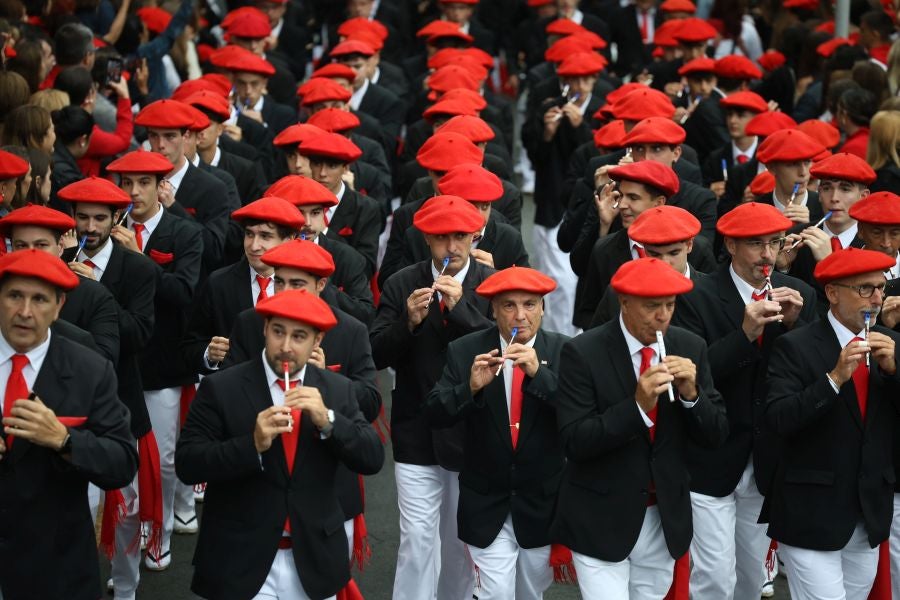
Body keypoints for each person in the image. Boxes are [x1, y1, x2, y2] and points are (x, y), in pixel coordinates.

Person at [175, 289, 384, 599]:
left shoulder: (337, 390)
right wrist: (252, 444)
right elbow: (187, 463)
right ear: (264, 329)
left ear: (317, 342)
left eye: (299, 337)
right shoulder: (222, 387)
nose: (285, 347)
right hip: (240, 560)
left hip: (313, 561)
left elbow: (372, 457)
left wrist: (329, 420)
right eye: (277, 332)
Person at [551, 256, 728, 598]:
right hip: (600, 516)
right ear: (624, 302)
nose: (663, 315)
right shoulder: (582, 352)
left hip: (662, 519)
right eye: (651, 306)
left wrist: (693, 395)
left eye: (670, 304)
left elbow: (716, 434)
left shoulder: (690, 347)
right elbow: (574, 440)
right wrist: (637, 408)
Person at [677, 202, 818, 599]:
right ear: (730, 245)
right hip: (711, 455)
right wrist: (744, 334)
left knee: (753, 578)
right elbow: (693, 375)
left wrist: (797, 327)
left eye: (773, 243)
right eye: (755, 244)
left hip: (767, 458)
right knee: (714, 578)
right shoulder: (695, 295)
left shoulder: (800, 295)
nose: (768, 255)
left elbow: (815, 370)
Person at [371, 195, 495, 600]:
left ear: (476, 233)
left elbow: (501, 352)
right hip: (416, 429)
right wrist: (407, 323)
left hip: (473, 431)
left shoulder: (492, 284)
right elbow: (376, 354)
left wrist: (461, 311)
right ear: (426, 238)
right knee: (418, 540)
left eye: (461, 236)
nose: (453, 247)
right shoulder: (401, 283)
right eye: (442, 238)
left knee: (459, 542)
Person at [0, 249, 138, 599]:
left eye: (40, 299)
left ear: (59, 306)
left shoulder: (89, 369)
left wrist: (65, 440)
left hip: (56, 567)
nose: (25, 312)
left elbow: (122, 462)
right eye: (15, 295)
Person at [425, 266, 570, 599]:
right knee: (495, 594)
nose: (520, 315)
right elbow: (434, 412)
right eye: (509, 305)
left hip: (540, 506)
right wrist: (470, 388)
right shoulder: (465, 350)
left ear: (543, 307)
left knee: (530, 593)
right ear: (493, 309)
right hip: (485, 503)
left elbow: (579, 415)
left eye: (530, 304)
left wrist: (539, 376)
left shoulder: (563, 351)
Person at [764, 247, 900, 600]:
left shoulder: (892, 345)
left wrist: (896, 374)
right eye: (864, 289)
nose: (876, 298)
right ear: (833, 293)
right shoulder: (796, 346)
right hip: (810, 512)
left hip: (867, 511)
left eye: (880, 288)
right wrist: (834, 379)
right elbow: (780, 419)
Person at [57, 176, 160, 600]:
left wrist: (95, 293)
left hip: (122, 400)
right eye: (83, 218)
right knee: (76, 506)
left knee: (128, 509)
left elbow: (139, 334)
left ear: (117, 218)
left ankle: (127, 586)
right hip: (69, 406)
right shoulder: (57, 260)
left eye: (100, 218)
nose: (91, 227)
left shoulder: (138, 268)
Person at [105, 149, 204, 571]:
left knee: (163, 459)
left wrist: (140, 261)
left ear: (160, 187)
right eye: (126, 183)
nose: (133, 193)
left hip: (164, 363)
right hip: (117, 364)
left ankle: (159, 533)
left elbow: (184, 294)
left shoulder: (184, 233)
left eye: (143, 183)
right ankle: (131, 533)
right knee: (122, 457)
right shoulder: (105, 231)